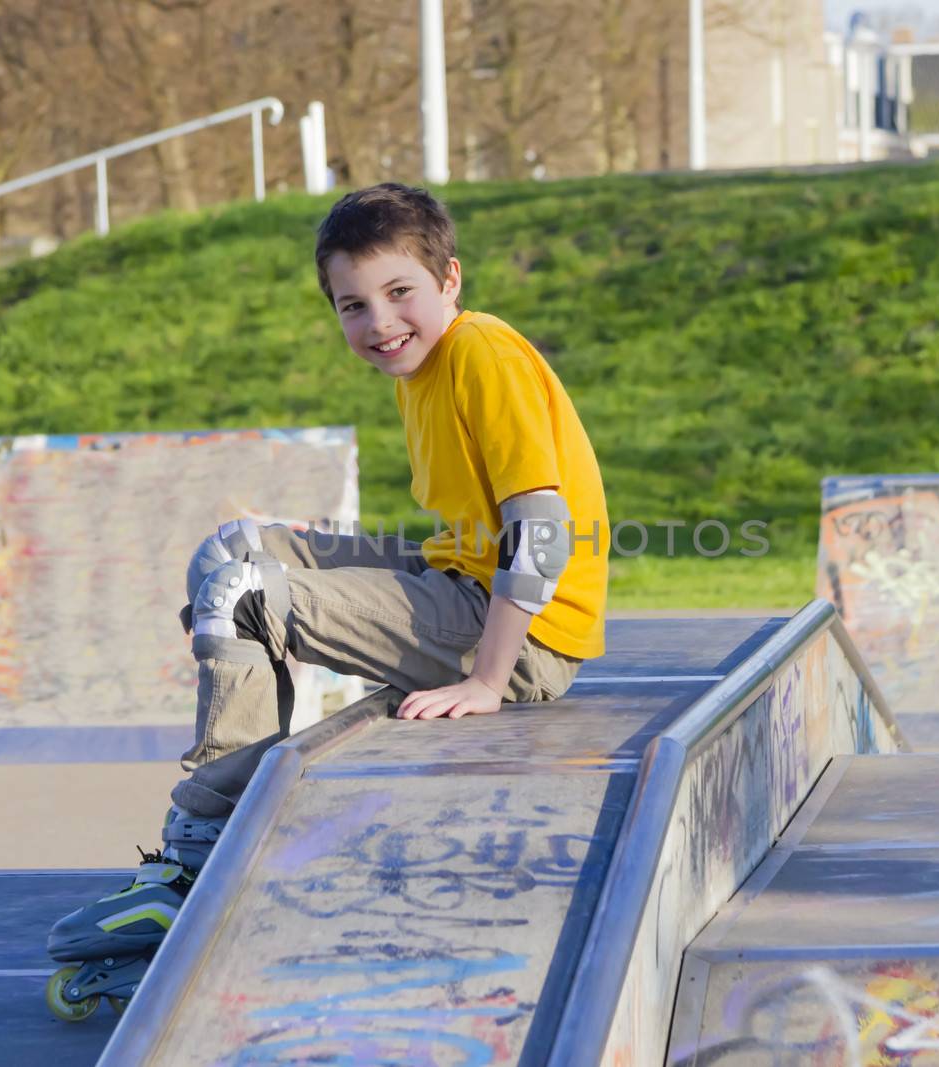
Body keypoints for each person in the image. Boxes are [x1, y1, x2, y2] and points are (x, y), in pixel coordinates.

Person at [44, 183, 611, 1004]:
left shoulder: (482, 351)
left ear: (450, 278)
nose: (379, 323)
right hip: (455, 580)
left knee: (242, 592)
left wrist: (488, 679)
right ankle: (231, 803)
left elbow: (544, 530)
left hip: (522, 634)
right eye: (353, 305)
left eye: (399, 293)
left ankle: (197, 858)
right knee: (237, 548)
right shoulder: (423, 370)